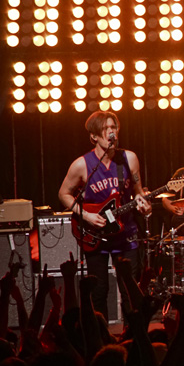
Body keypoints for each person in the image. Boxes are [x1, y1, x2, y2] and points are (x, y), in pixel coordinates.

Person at [58, 111, 151, 319]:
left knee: (130, 290)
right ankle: (100, 333)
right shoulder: (82, 164)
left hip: (125, 234)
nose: (111, 132)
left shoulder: (128, 159)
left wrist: (144, 205)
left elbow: (138, 192)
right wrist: (86, 216)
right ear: (94, 136)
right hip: (95, 235)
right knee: (98, 292)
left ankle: (132, 333)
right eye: (106, 128)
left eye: (114, 127)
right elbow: (63, 194)